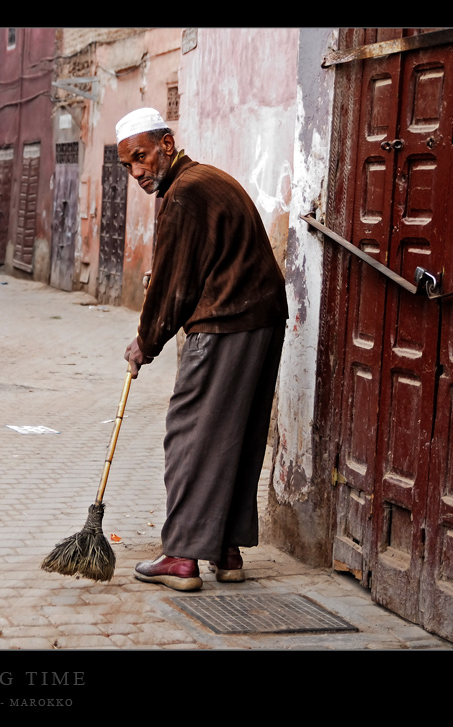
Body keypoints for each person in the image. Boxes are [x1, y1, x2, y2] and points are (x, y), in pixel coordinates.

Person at [116, 107, 288, 592]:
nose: (137, 173)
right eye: (128, 165)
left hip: (226, 322)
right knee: (234, 434)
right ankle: (226, 550)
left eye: (142, 158)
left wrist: (145, 343)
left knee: (189, 435)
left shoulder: (185, 194)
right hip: (262, 320)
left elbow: (175, 284)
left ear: (166, 145)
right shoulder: (208, 179)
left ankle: (182, 555)